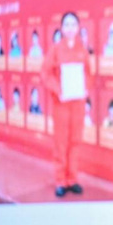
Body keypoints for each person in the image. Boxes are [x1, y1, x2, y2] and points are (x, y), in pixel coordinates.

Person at [42, 11, 94, 198]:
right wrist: (58, 90)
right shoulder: (55, 49)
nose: (70, 28)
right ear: (62, 29)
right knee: (61, 142)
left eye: (73, 24)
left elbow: (88, 73)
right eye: (67, 25)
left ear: (78, 28)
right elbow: (46, 73)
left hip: (78, 103)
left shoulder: (82, 49)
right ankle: (60, 180)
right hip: (62, 103)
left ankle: (72, 179)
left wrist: (86, 88)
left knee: (75, 140)